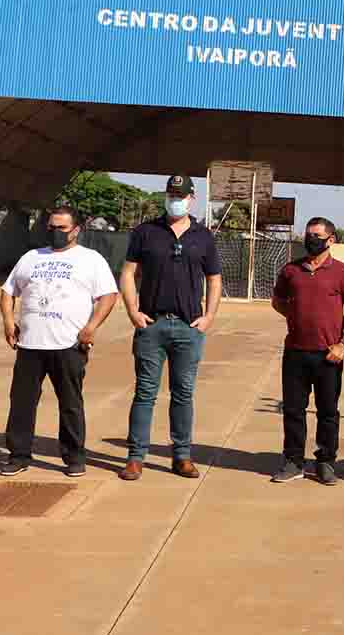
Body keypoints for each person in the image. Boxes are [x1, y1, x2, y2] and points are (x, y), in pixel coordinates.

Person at [0, 206, 118, 477]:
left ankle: (74, 457)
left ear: (76, 230)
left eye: (61, 228)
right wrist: (8, 321)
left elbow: (109, 296)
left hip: (69, 345)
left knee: (70, 403)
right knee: (21, 402)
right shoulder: (30, 258)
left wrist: (91, 327)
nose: (55, 232)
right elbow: (7, 292)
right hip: (30, 345)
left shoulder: (91, 259)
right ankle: (18, 455)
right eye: (51, 227)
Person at [117, 174, 223, 481]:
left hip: (189, 328)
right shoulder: (145, 232)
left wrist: (209, 316)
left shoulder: (203, 237)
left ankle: (182, 456)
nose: (174, 199)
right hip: (152, 325)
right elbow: (128, 273)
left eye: (180, 195)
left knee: (183, 393)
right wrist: (133, 311)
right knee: (145, 392)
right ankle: (136, 458)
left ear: (192, 199)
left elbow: (214, 279)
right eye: (170, 194)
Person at [270, 217, 344, 486]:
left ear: (331, 240)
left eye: (317, 235)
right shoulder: (291, 270)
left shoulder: (343, 273)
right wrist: (296, 318)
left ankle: (325, 462)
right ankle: (293, 461)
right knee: (294, 410)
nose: (310, 239)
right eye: (308, 234)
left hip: (329, 355)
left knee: (328, 411)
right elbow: (278, 301)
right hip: (295, 352)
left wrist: (343, 344)